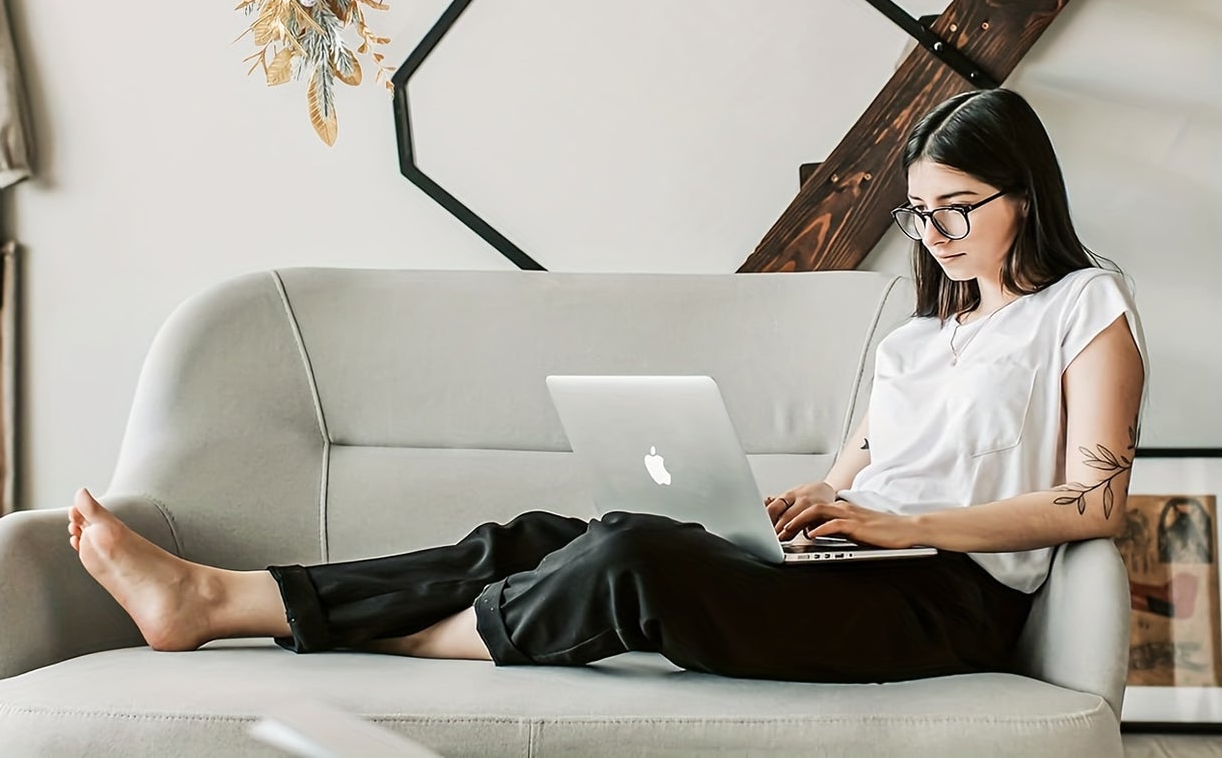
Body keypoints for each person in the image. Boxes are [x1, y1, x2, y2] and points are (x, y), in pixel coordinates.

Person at [68, 87, 1146, 682]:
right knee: (549, 530)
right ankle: (218, 598)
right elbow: (847, 480)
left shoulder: (1083, 307)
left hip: (940, 606)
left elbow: (1093, 500)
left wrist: (899, 523)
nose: (934, 234)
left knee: (627, 558)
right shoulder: (914, 337)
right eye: (917, 213)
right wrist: (799, 515)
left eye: (956, 206)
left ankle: (351, 627)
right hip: (851, 569)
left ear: (1023, 192)